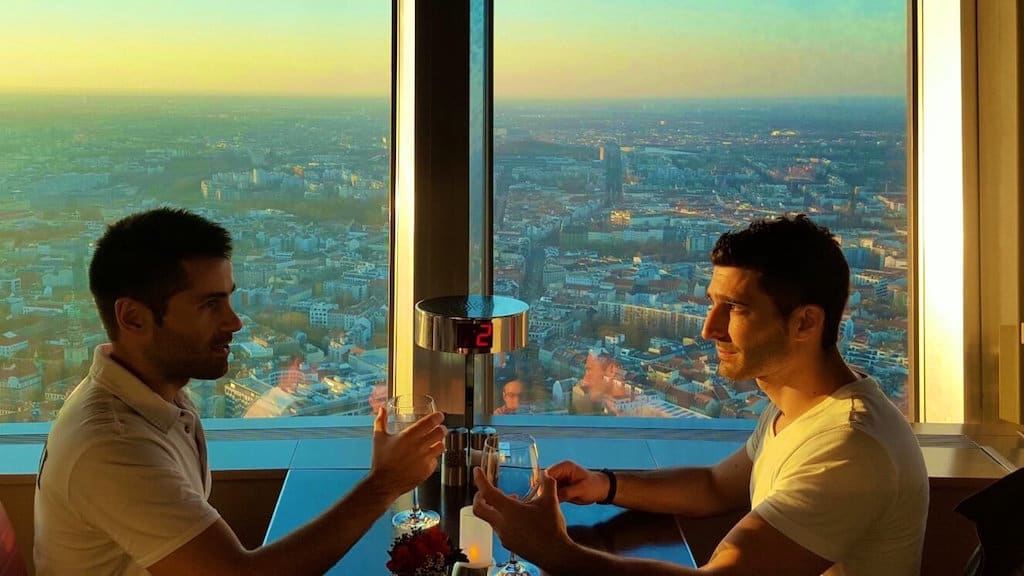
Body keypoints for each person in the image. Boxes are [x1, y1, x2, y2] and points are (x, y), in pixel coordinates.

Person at [473, 214, 928, 575]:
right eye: (712, 302)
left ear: (806, 323)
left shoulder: (850, 447)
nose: (709, 328)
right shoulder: (802, 406)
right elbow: (714, 487)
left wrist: (554, 553)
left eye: (736, 309)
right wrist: (604, 484)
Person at [34, 208, 447, 575]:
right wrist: (384, 484)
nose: (235, 322)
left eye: (229, 299)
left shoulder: (156, 394)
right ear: (133, 318)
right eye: (210, 305)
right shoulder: (113, 444)